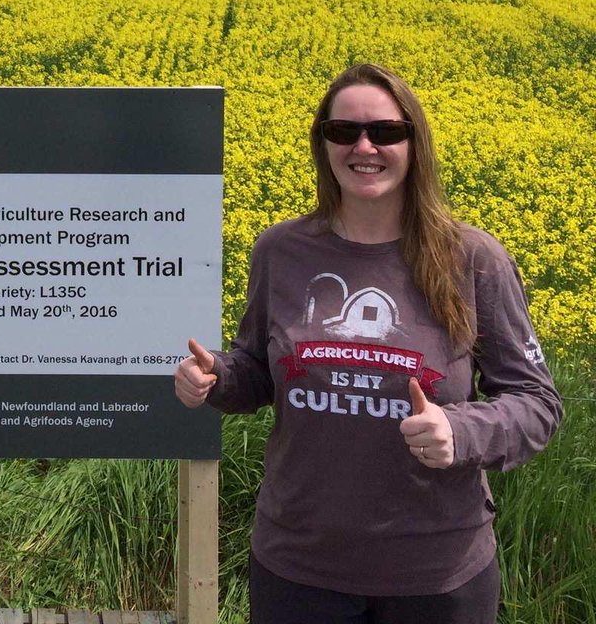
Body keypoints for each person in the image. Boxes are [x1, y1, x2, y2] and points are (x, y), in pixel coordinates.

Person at [174, 64, 561, 624]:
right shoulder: (281, 250)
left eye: (384, 131)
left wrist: (461, 430)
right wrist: (217, 377)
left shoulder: (473, 259)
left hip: (436, 572)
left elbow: (537, 403)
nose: (363, 147)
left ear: (414, 142)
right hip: (298, 565)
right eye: (343, 131)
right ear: (323, 144)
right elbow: (258, 370)